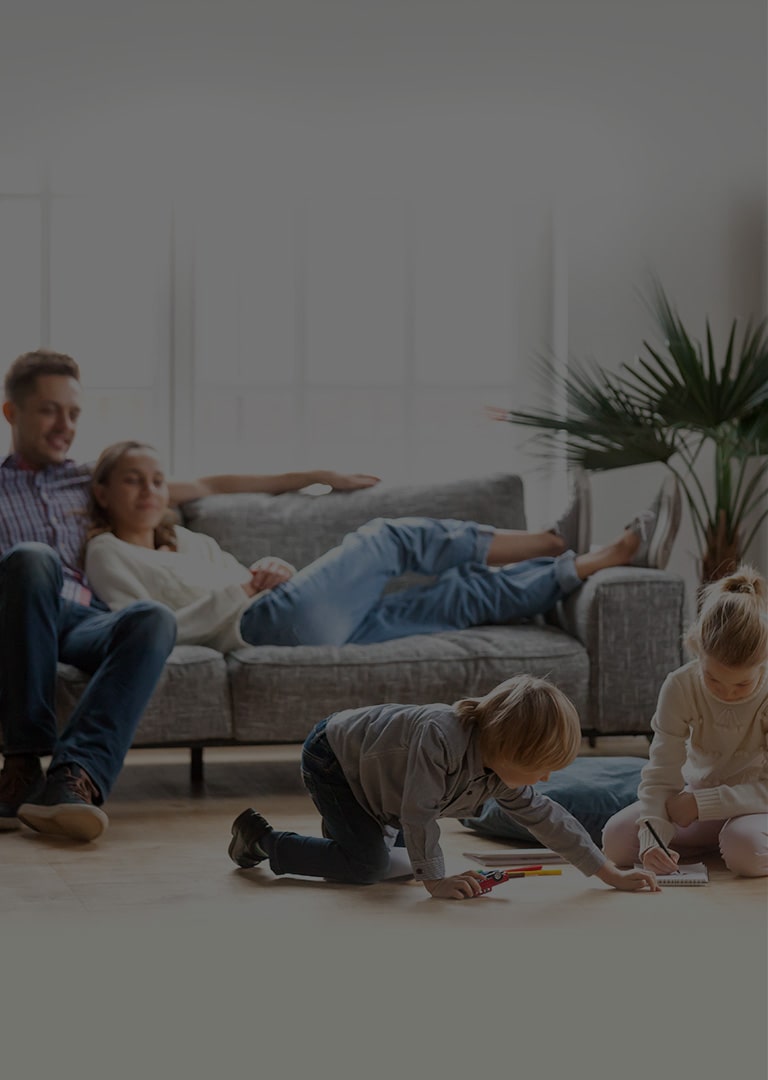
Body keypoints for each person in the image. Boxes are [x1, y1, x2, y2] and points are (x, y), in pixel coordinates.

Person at [0, 349, 379, 840]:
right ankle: (22, 761)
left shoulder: (89, 479)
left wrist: (317, 476)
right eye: (49, 410)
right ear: (12, 412)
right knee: (33, 558)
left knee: (153, 618)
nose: (64, 425)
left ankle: (76, 779)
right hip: (22, 613)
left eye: (73, 413)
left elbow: (211, 483)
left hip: (83, 619)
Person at [84, 441, 682, 651]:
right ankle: (552, 539)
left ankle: (589, 561)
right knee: (389, 537)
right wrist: (245, 589)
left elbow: (250, 577)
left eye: (157, 480)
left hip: (292, 613)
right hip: (261, 625)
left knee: (457, 598)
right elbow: (145, 628)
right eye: (132, 479)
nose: (148, 490)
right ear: (104, 492)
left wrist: (269, 569)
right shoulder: (107, 553)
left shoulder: (189, 540)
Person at [227, 674, 660, 897]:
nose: (545, 780)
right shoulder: (440, 735)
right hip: (335, 760)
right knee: (368, 868)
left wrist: (609, 873)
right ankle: (263, 840)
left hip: (380, 785)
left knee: (394, 869)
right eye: (540, 768)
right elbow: (419, 812)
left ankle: (349, 839)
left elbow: (549, 819)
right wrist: (436, 881)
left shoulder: (500, 773)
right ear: (508, 749)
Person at [603, 565, 768, 878]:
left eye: (742, 685)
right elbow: (662, 773)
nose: (727, 693)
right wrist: (653, 840)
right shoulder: (680, 685)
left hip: (754, 804)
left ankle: (730, 840)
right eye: (713, 679)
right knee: (616, 842)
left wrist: (702, 803)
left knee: (746, 849)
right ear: (697, 650)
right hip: (695, 800)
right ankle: (716, 842)